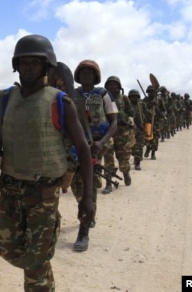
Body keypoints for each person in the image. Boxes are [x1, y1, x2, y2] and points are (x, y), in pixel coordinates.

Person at [0, 34, 94, 292]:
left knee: (35, 262)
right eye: (23, 62)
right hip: (11, 190)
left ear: (47, 67)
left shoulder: (61, 101)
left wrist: (88, 198)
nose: (27, 67)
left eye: (34, 63)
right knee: (7, 250)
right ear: (16, 65)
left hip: (43, 193)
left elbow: (83, 149)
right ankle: (41, 263)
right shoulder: (5, 99)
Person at [68, 59, 118, 252]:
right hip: (76, 146)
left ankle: (84, 231)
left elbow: (114, 122)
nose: (86, 76)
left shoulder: (104, 94)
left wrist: (101, 143)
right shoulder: (72, 94)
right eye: (83, 72)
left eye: (90, 73)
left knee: (88, 185)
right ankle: (89, 212)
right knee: (76, 186)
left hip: (97, 145)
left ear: (96, 76)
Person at [102, 76, 135, 189]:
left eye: (114, 84)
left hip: (122, 133)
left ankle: (125, 173)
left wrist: (128, 122)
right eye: (110, 84)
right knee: (108, 158)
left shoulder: (124, 98)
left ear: (119, 86)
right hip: (108, 133)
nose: (112, 86)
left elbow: (131, 112)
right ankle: (108, 183)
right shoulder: (103, 98)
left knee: (123, 156)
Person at [127, 89, 149, 171]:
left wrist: (146, 126)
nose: (133, 98)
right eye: (132, 97)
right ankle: (135, 156)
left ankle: (137, 162)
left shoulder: (142, 105)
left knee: (139, 146)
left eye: (135, 97)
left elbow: (147, 114)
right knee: (131, 146)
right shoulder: (128, 105)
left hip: (140, 128)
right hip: (130, 128)